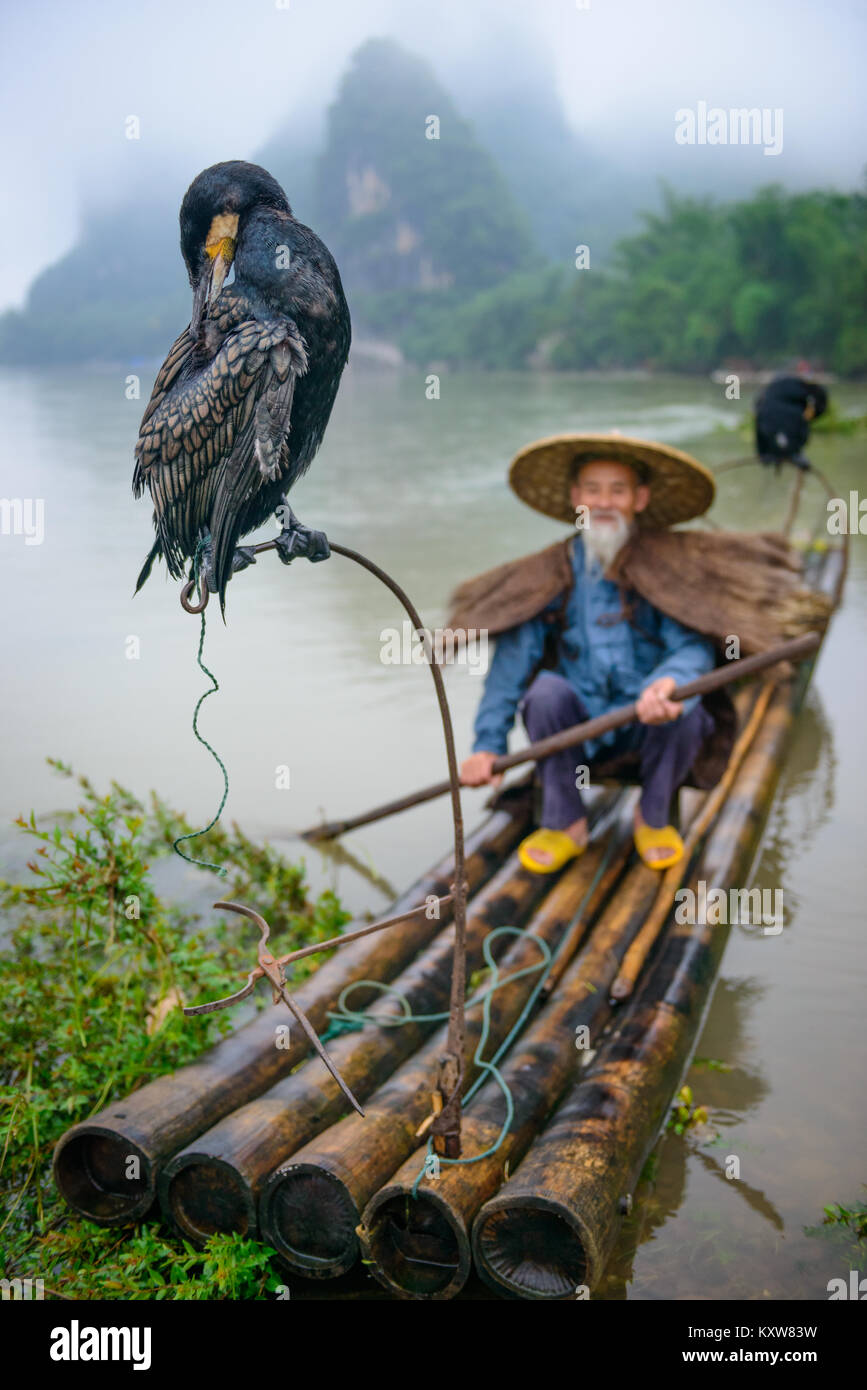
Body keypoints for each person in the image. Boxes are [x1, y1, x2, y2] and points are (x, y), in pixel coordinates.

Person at [450, 433, 829, 877]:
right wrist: (486, 746)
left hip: (651, 728)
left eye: (618, 490)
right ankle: (565, 823)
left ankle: (653, 816)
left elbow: (691, 647)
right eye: (593, 489)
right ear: (575, 497)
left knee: (686, 703)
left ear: (640, 498)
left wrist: (668, 684)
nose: (604, 501)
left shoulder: (667, 567)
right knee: (544, 692)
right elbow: (509, 668)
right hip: (579, 733)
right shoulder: (549, 573)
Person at [754, 375, 828, 469]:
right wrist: (794, 452)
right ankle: (793, 454)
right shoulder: (801, 395)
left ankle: (769, 455)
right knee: (799, 422)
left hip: (765, 417)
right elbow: (802, 425)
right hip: (771, 417)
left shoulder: (784, 389)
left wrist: (763, 453)